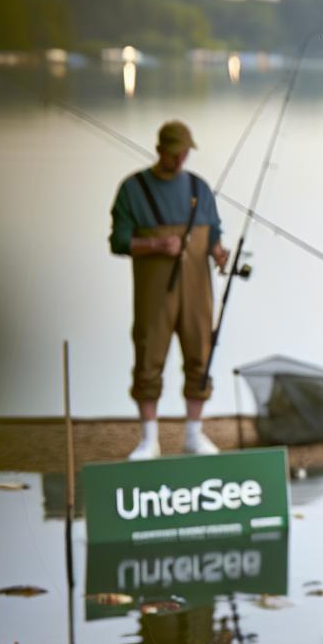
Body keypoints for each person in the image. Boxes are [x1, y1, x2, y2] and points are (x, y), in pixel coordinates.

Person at [108, 119, 230, 459]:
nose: (180, 160)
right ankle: (149, 439)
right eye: (175, 153)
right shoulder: (133, 189)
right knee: (148, 357)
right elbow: (118, 242)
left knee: (200, 357)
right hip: (154, 293)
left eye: (186, 153)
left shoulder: (199, 189)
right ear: (160, 149)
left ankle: (194, 433)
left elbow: (214, 233)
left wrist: (218, 252)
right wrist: (156, 246)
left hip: (197, 290)